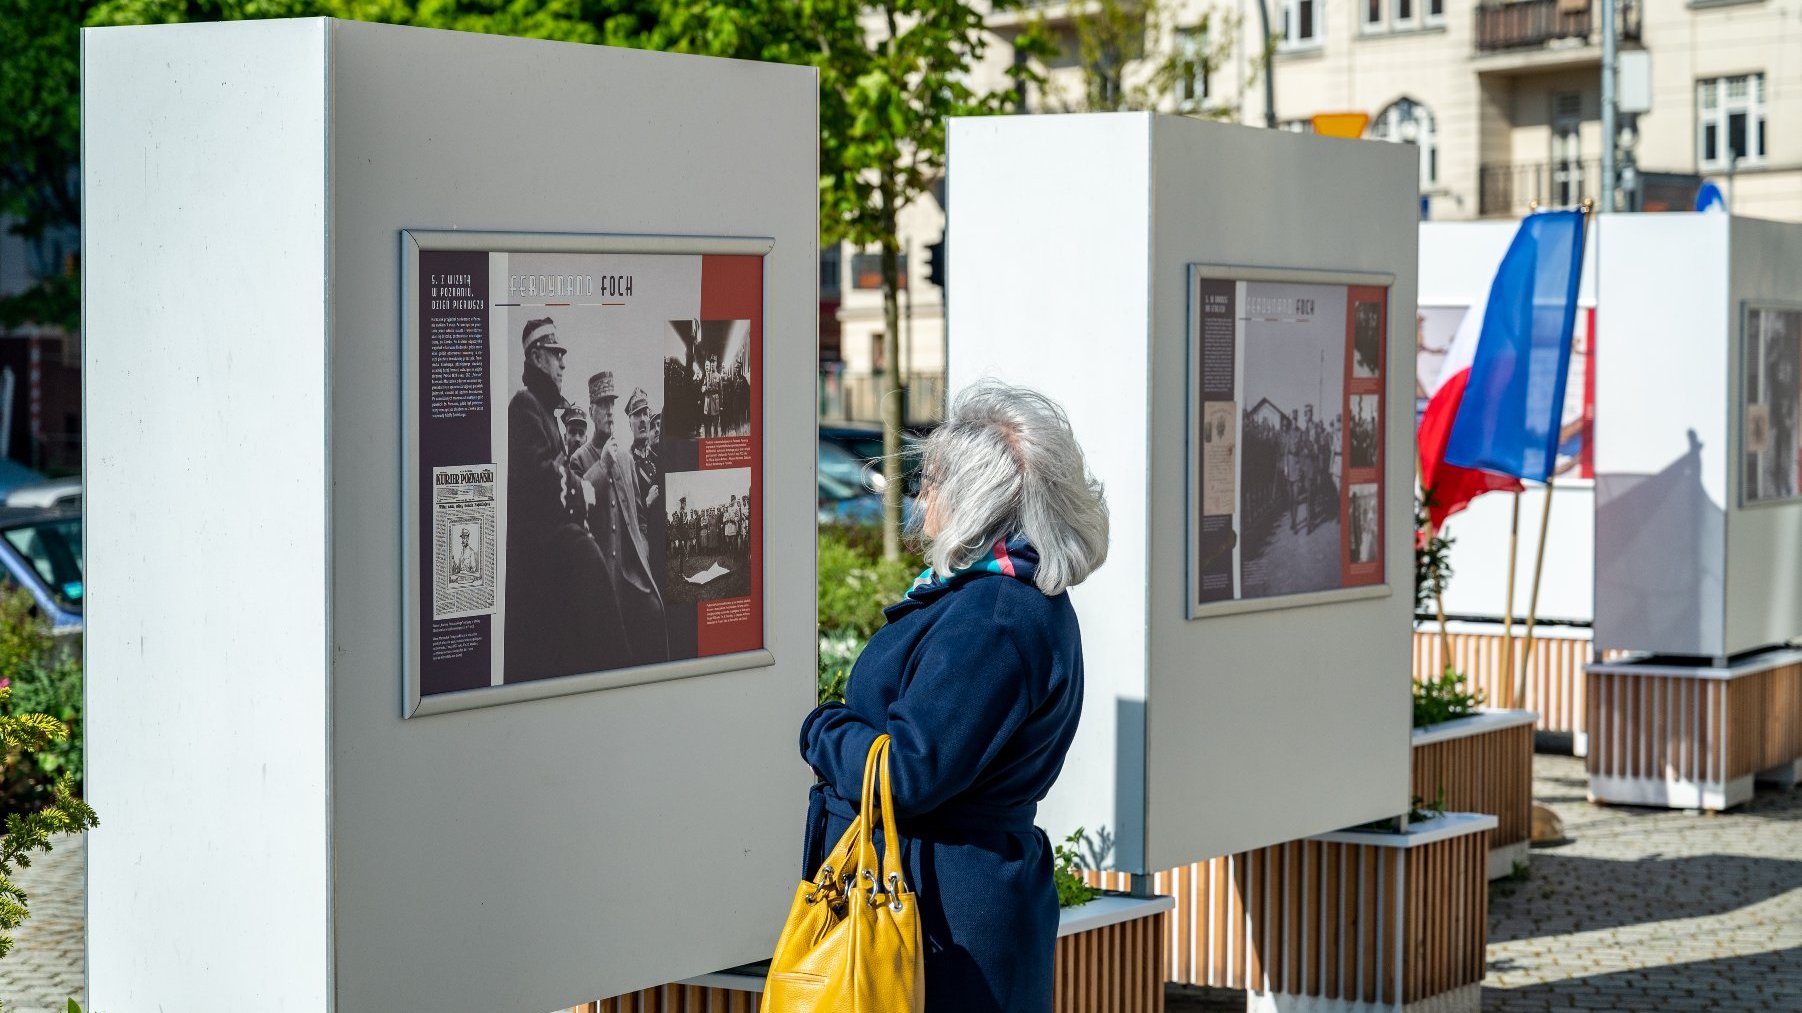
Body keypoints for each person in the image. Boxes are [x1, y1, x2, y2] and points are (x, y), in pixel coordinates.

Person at [798, 380, 1108, 1013]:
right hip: (947, 906)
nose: (920, 496)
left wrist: (821, 728)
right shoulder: (1002, 598)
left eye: (932, 481)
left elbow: (910, 770)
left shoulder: (993, 617)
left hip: (943, 924)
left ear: (976, 498)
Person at [504, 318, 623, 682]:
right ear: (537, 357)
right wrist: (581, 488)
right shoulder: (524, 406)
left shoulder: (544, 413)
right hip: (539, 568)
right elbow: (541, 479)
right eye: (556, 355)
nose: (563, 364)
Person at [579, 371, 668, 666]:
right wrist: (602, 465)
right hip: (601, 574)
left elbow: (640, 515)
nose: (608, 411)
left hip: (630, 573)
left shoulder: (627, 459)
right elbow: (577, 509)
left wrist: (642, 546)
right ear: (592, 411)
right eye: (602, 405)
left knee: (655, 614)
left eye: (611, 405)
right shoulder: (581, 458)